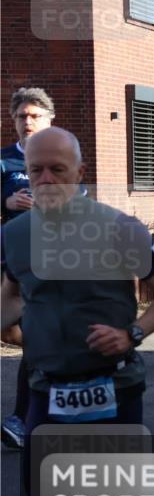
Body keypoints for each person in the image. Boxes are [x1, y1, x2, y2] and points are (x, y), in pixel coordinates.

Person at [1, 127, 154, 496]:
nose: (46, 180)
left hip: (113, 386)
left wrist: (132, 334)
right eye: (36, 171)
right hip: (47, 390)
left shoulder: (119, 227)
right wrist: (10, 328)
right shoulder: (15, 234)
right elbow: (11, 295)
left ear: (80, 173)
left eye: (57, 170)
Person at [1, 87, 56, 449]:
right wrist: (7, 201)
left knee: (34, 337)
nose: (28, 121)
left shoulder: (61, 157)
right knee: (10, 332)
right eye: (22, 116)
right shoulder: (4, 161)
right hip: (10, 258)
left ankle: (21, 419)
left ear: (49, 120)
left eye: (35, 115)